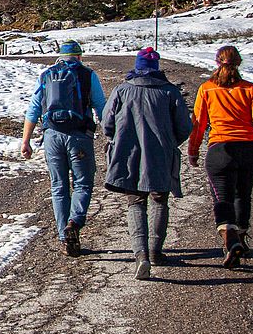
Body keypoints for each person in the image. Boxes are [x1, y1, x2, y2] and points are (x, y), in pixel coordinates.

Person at [101, 47, 192, 280]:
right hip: (160, 153)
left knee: (135, 201)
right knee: (160, 198)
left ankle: (141, 255)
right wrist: (170, 142)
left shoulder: (122, 89)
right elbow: (184, 126)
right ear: (156, 68)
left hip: (128, 152)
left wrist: (117, 139)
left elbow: (107, 122)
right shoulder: (170, 92)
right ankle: (155, 251)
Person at [187, 45, 253, 268]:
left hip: (220, 149)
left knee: (222, 197)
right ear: (238, 63)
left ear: (217, 62)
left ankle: (230, 239)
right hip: (249, 148)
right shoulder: (250, 89)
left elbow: (198, 124)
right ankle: (240, 237)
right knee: (243, 195)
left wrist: (193, 150)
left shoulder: (207, 89)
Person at [21, 40, 106, 256]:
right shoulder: (87, 75)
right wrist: (113, 135)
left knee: (58, 186)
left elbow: (33, 110)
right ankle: (74, 223)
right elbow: (101, 108)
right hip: (79, 136)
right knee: (82, 183)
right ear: (79, 57)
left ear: (59, 56)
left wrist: (26, 141)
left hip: (51, 137)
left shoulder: (46, 75)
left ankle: (63, 237)